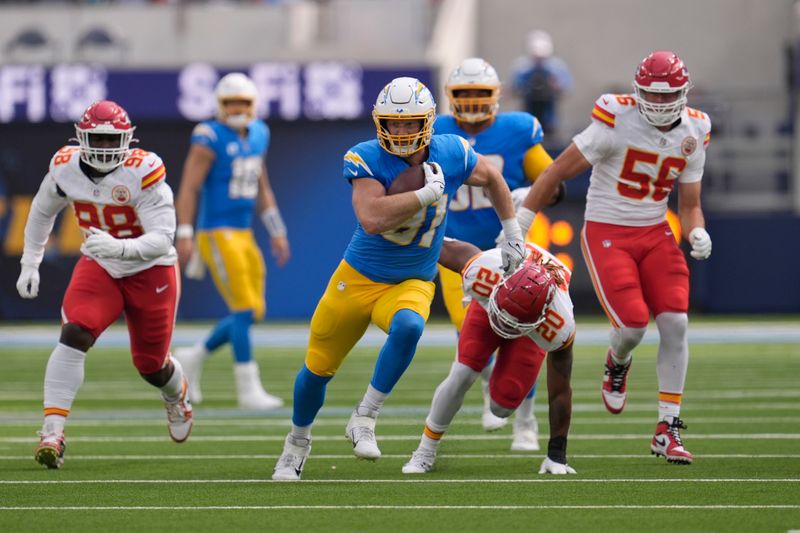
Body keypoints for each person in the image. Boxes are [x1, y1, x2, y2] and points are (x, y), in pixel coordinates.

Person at [272, 77, 525, 481]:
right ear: (380, 123)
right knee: (317, 370)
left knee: (409, 325)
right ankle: (296, 443)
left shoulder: (453, 151)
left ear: (426, 123)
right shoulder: (366, 157)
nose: (402, 131)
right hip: (358, 278)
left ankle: (365, 416)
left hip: (413, 278)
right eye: (394, 123)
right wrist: (425, 194)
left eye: (409, 124)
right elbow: (371, 219)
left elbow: (494, 178)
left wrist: (512, 231)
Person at [517, 51, 713, 465]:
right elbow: (554, 172)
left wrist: (696, 228)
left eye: (669, 96)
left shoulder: (696, 128)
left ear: (683, 94)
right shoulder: (614, 119)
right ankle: (617, 360)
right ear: (637, 92)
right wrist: (521, 219)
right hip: (609, 230)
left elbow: (690, 203)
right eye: (652, 96)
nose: (660, 104)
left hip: (656, 230)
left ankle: (668, 428)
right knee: (632, 326)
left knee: (676, 322)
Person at [16, 100, 191, 469]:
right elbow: (41, 211)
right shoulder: (65, 168)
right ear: (82, 137)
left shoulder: (144, 170)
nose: (105, 148)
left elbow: (163, 239)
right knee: (75, 332)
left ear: (127, 140)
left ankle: (176, 395)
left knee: (151, 366)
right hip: (101, 265)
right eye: (97, 139)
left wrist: (121, 245)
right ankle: (52, 432)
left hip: (151, 269)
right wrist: (30, 262)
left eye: (113, 141)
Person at [435, 57, 566, 449]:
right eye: (464, 94)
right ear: (450, 97)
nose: (473, 101)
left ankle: (525, 420)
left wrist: (531, 194)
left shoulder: (516, 129)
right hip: (455, 250)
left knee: (520, 330)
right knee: (471, 332)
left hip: (508, 248)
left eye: (480, 93)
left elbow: (554, 181)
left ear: (497, 96)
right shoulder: (436, 131)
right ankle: (494, 388)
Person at [403, 238, 576, 475]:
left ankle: (517, 409)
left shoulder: (559, 323)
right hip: (490, 306)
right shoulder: (486, 268)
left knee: (501, 407)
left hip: (528, 330)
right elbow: (435, 242)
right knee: (462, 373)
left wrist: (557, 455)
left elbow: (560, 389)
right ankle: (425, 451)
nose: (506, 326)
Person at [173, 72, 290, 410]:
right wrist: (185, 232)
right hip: (216, 232)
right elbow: (189, 188)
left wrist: (277, 228)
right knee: (242, 310)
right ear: (219, 106)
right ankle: (248, 388)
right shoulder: (207, 137)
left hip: (244, 232)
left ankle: (193, 357)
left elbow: (261, 184)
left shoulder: (260, 134)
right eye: (230, 103)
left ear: (253, 106)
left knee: (254, 311)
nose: (237, 108)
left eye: (243, 102)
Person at [510, 30, 574, 137]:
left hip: (549, 117)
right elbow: (513, 90)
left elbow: (567, 89)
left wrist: (555, 85)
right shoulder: (522, 68)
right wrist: (524, 86)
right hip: (528, 115)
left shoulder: (557, 68)